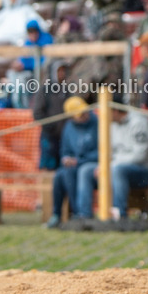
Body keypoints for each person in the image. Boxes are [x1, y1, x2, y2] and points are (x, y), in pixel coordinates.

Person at [46, 96, 98, 227]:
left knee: (70, 174)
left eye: (85, 112)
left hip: (91, 163)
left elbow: (101, 151)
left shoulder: (97, 124)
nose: (84, 116)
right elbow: (65, 150)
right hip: (74, 166)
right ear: (72, 117)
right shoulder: (69, 128)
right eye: (80, 114)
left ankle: (78, 213)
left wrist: (79, 161)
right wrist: (66, 159)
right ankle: (56, 214)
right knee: (59, 175)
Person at [105, 98, 148, 220]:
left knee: (118, 170)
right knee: (86, 171)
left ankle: (119, 215)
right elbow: (110, 153)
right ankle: (83, 215)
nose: (104, 115)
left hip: (147, 171)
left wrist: (111, 164)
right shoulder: (112, 125)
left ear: (115, 111)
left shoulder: (139, 123)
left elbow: (139, 156)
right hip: (119, 167)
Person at [31, 59, 71, 170]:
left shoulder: (66, 90)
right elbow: (37, 112)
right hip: (49, 137)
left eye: (64, 71)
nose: (62, 74)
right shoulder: (45, 90)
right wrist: (50, 127)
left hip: (64, 137)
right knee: (48, 167)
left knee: (62, 168)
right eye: (59, 71)